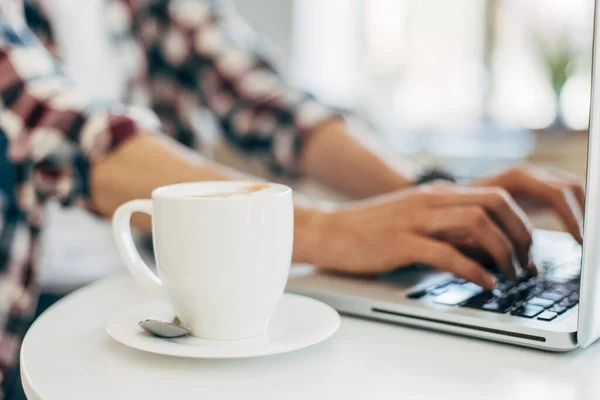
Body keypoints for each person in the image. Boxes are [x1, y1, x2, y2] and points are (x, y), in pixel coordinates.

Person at [0, 0, 585, 398]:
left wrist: (432, 197)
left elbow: (262, 96)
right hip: (20, 323)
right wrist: (331, 230)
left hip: (150, 290)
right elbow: (52, 121)